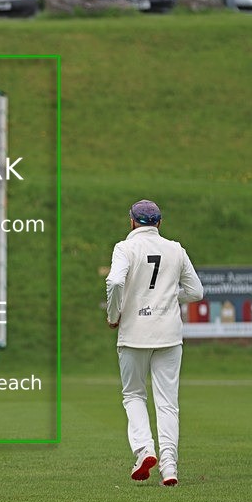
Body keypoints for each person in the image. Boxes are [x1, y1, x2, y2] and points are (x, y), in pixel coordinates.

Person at [106, 199, 203, 486]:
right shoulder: (176, 249)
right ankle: (169, 467)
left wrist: (114, 314)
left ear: (132, 221)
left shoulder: (124, 248)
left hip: (134, 332)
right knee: (168, 403)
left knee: (134, 395)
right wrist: (170, 296)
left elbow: (115, 282)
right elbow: (196, 292)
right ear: (159, 223)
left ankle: (145, 450)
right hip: (169, 333)